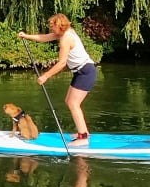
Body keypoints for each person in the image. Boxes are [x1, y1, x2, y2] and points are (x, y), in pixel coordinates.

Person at [18, 13, 97, 146]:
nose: (50, 28)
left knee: (73, 104)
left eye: (52, 25)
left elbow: (62, 63)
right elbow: (44, 38)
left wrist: (45, 76)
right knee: (69, 101)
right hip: (81, 72)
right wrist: (26, 36)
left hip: (86, 72)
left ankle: (83, 138)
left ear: (59, 26)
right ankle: (84, 132)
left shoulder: (66, 39)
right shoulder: (64, 33)